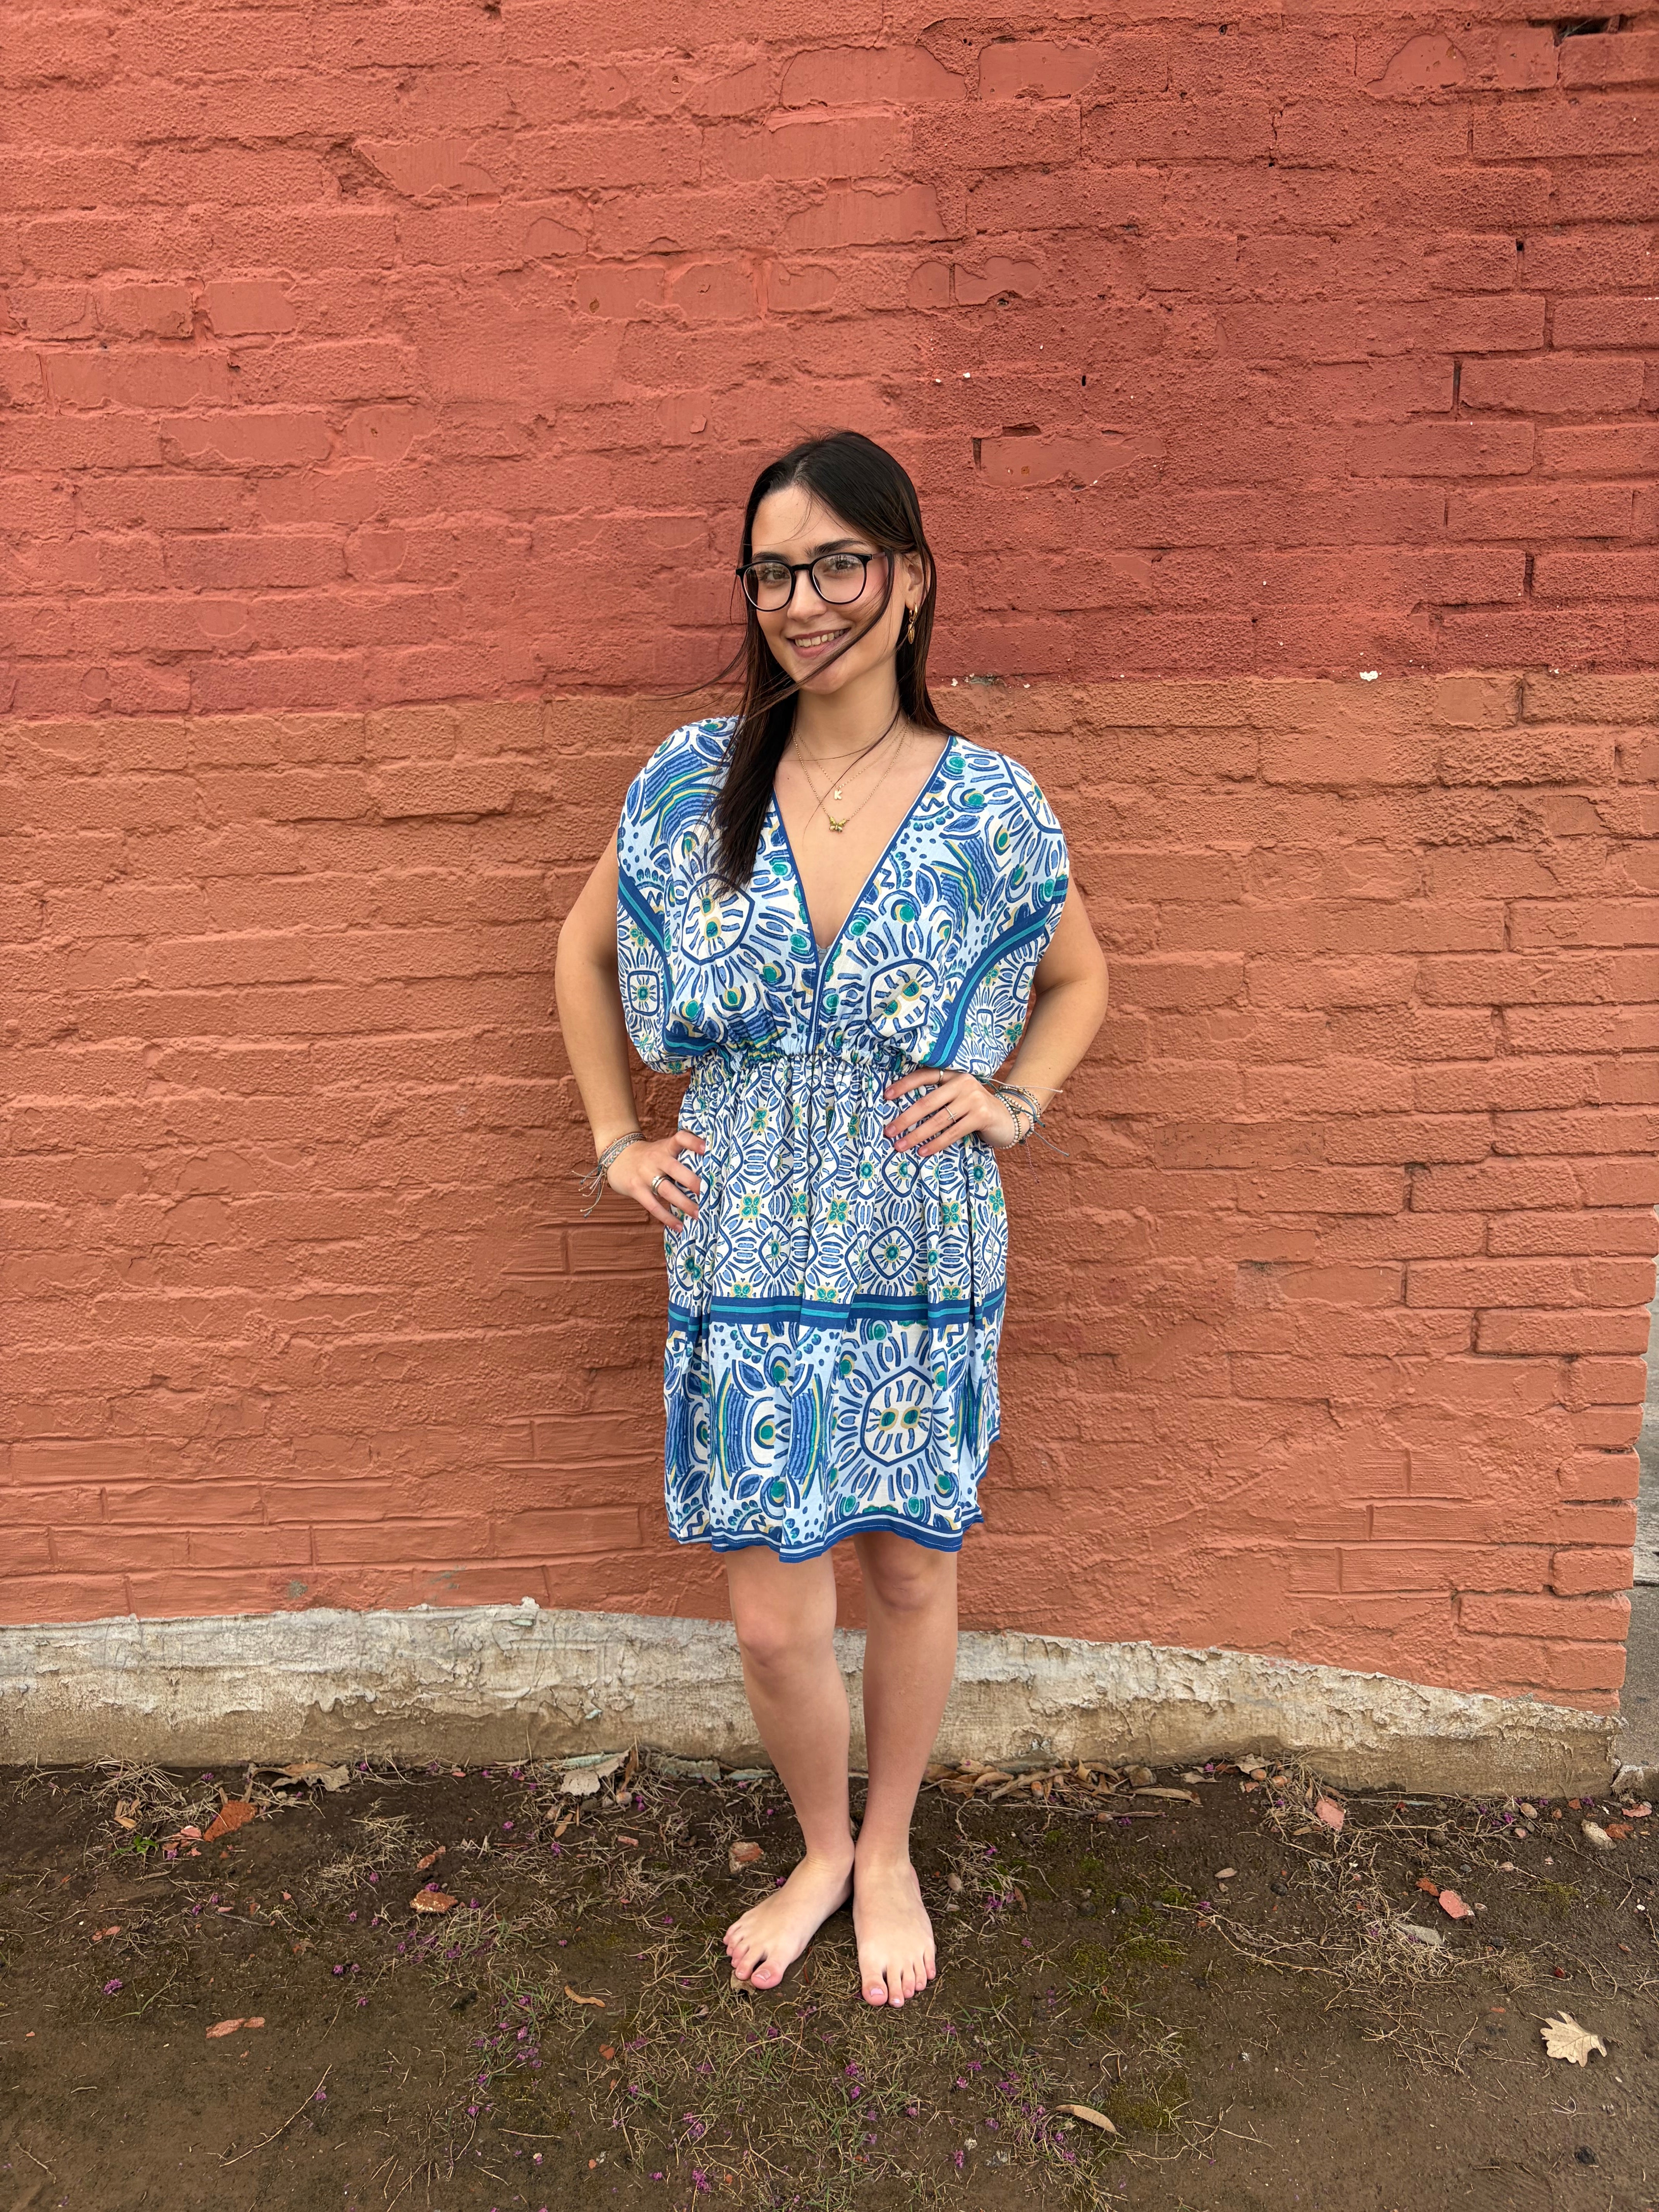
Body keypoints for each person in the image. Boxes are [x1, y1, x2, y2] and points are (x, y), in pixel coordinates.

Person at [554, 429, 1109, 2010]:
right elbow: (579, 958)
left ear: (911, 579)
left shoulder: (994, 805)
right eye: (776, 571)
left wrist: (1016, 1102)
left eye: (840, 563)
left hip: (921, 1235)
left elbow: (1079, 981)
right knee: (774, 1612)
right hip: (742, 1241)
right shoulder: (689, 776)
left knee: (911, 1569)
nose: (805, 600)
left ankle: (887, 1849)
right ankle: (816, 1845)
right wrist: (614, 1141)